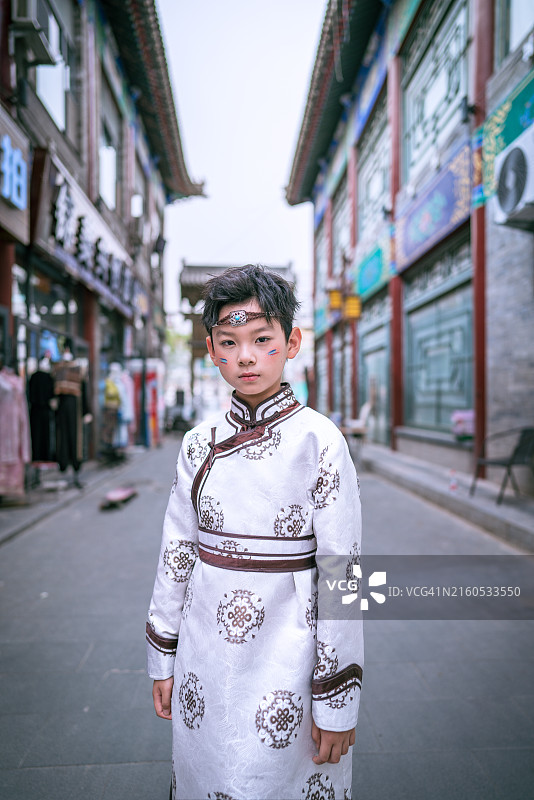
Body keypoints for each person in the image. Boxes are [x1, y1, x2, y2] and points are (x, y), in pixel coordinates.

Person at [146, 265, 363, 800]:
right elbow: (176, 553)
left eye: (261, 339)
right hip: (204, 654)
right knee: (209, 772)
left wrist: (337, 700)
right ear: (211, 350)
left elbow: (343, 574)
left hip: (290, 652)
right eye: (229, 341)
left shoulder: (322, 442)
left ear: (292, 343)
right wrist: (162, 655)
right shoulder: (197, 443)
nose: (245, 356)